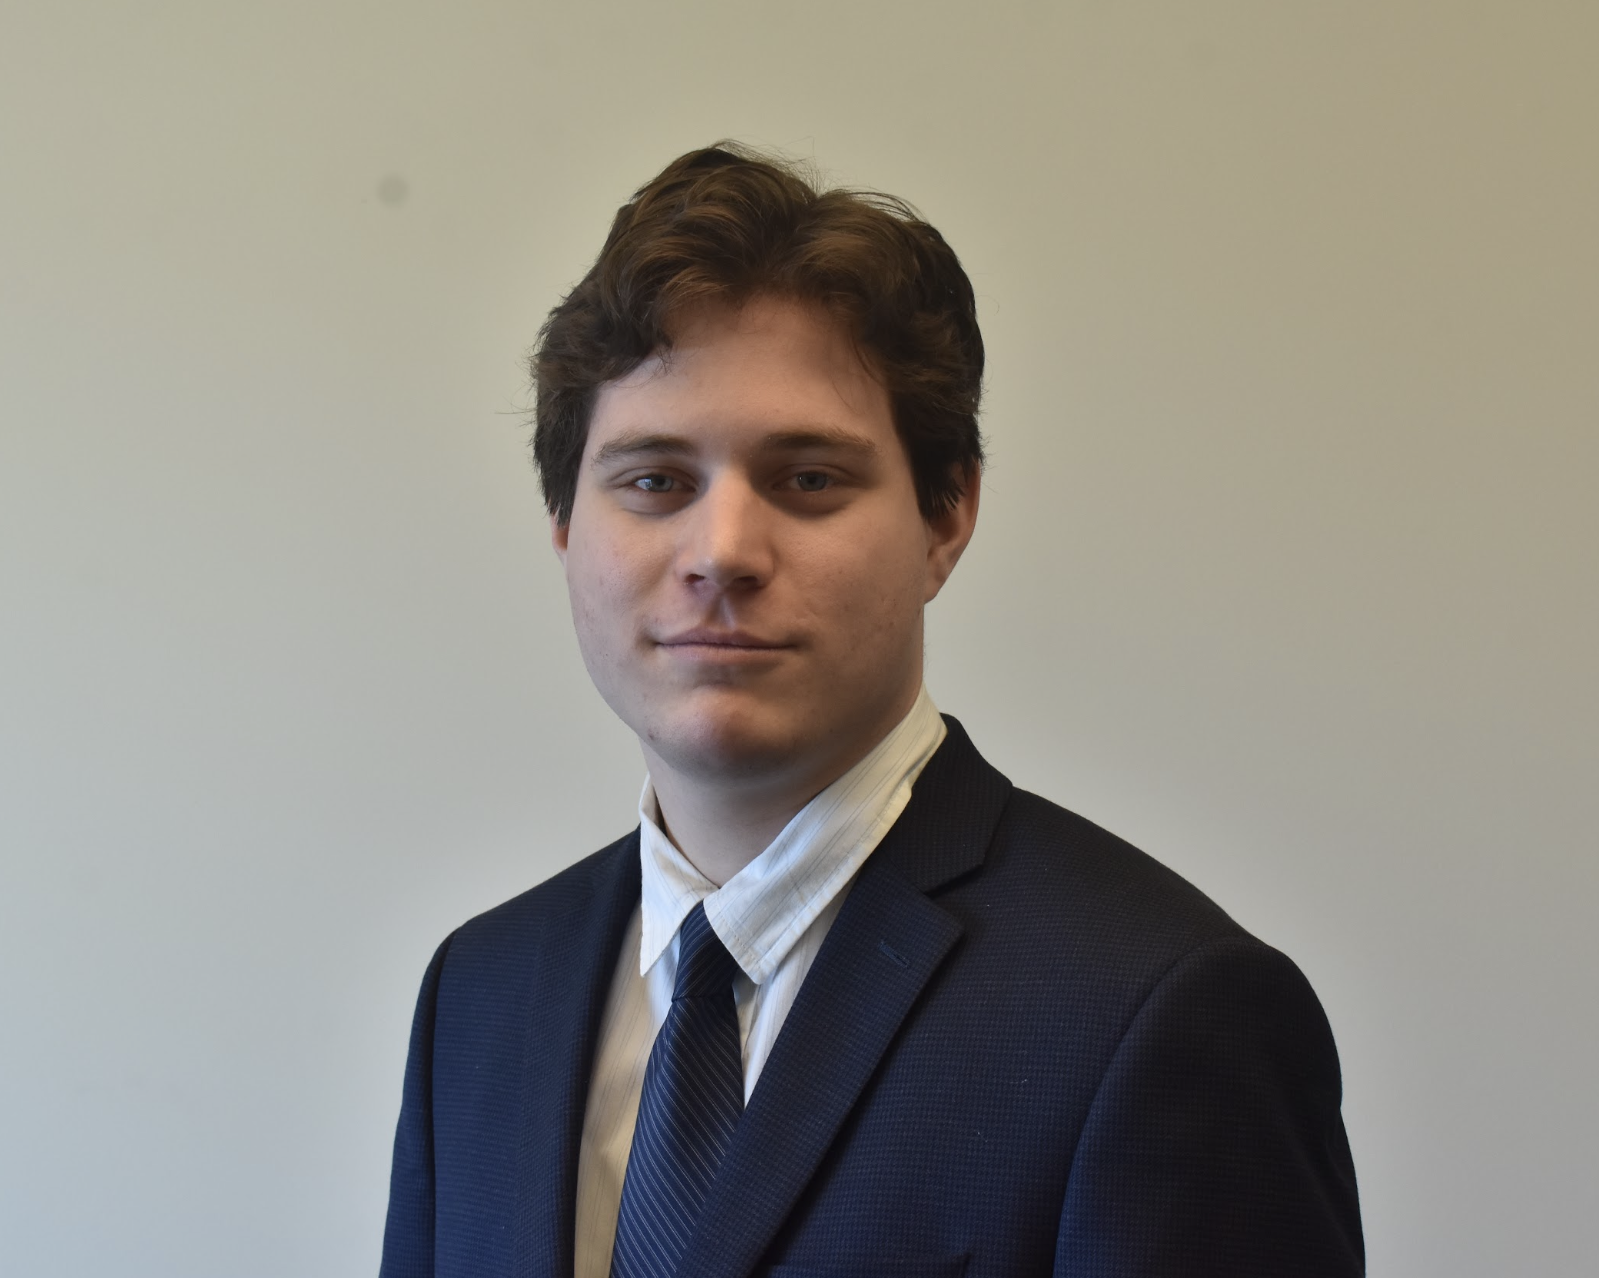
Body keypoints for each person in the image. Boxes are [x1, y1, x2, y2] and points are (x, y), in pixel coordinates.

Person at [379, 144, 1363, 1278]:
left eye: (807, 479)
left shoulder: (1158, 1013)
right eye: (654, 480)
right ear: (564, 526)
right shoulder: (480, 998)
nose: (722, 551)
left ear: (947, 517)